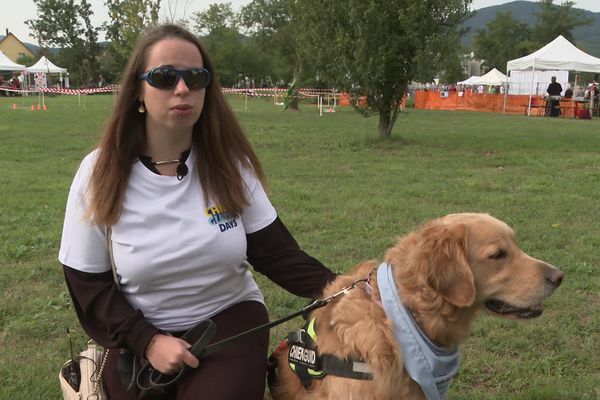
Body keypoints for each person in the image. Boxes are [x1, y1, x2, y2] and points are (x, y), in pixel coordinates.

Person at [58, 23, 336, 400]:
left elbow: (277, 253)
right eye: (164, 77)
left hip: (229, 320)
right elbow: (87, 286)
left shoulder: (229, 164)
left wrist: (345, 288)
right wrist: (148, 341)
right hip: (137, 336)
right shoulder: (98, 173)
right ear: (138, 90)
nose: (183, 88)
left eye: (196, 77)